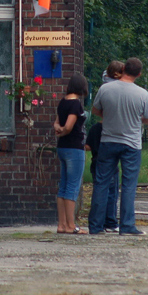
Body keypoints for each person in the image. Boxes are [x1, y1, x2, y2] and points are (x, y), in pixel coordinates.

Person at [88, 57, 148, 236]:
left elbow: (95, 110)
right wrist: (136, 119)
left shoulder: (105, 89)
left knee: (101, 183)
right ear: (139, 74)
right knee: (128, 185)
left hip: (108, 141)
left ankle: (95, 226)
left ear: (123, 68)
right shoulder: (142, 94)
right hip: (131, 144)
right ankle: (127, 226)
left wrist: (110, 115)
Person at [85, 60, 125, 233]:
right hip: (113, 145)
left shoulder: (95, 128)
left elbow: (87, 146)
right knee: (112, 190)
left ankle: (96, 224)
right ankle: (111, 221)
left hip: (97, 160)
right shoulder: (125, 88)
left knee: (100, 188)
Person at [53, 73, 89, 234]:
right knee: (72, 187)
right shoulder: (75, 104)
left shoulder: (63, 102)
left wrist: (59, 130)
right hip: (74, 148)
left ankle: (61, 225)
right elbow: (68, 126)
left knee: (63, 186)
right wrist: (63, 130)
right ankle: (70, 225)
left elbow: (56, 123)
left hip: (62, 147)